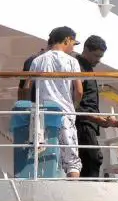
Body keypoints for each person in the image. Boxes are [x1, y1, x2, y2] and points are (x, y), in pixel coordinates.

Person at [22, 27, 83, 178]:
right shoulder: (72, 62)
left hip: (42, 114)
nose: (73, 48)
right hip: (65, 113)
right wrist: (74, 106)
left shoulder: (37, 60)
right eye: (73, 44)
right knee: (72, 160)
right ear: (67, 40)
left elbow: (26, 87)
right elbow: (79, 91)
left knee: (41, 155)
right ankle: (72, 192)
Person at [74, 35, 113, 178]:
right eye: (96, 55)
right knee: (93, 159)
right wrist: (95, 118)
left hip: (87, 122)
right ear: (86, 50)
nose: (98, 60)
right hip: (83, 123)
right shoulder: (79, 67)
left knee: (87, 160)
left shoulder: (86, 68)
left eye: (100, 56)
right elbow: (76, 99)